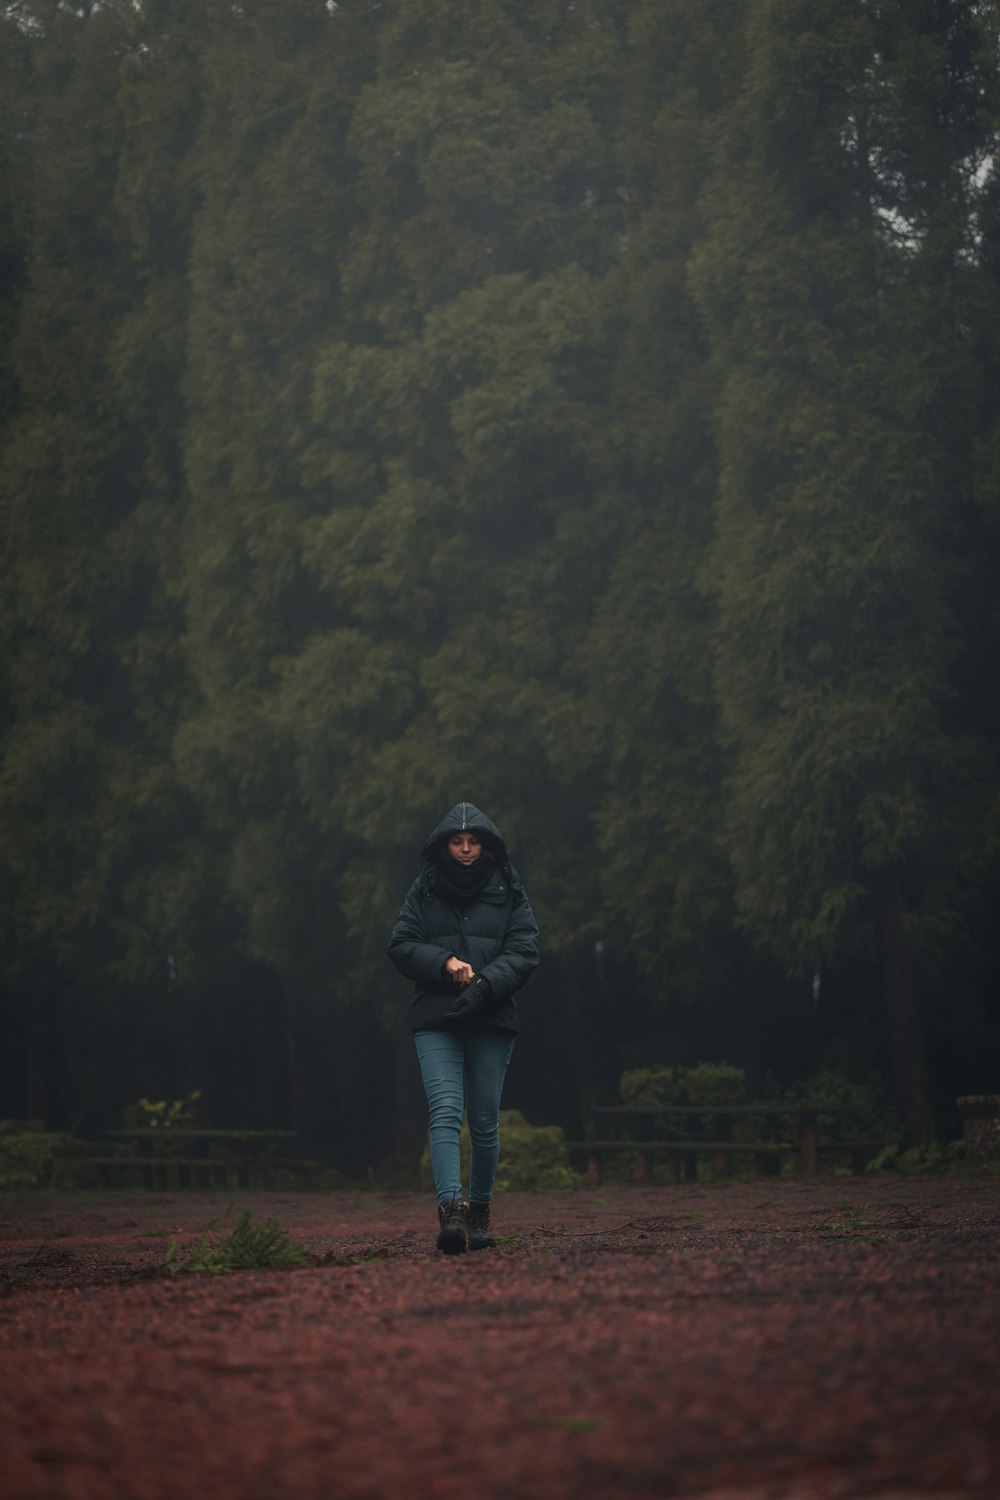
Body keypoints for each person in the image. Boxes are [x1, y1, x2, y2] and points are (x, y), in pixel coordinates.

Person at [387, 801, 540, 1254]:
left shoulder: (509, 888)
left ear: (488, 846)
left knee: (485, 1122)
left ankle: (480, 1212)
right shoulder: (424, 890)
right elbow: (401, 944)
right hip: (437, 1018)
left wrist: (487, 982)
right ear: (444, 845)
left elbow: (525, 949)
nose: (467, 849)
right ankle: (451, 1211)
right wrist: (444, 962)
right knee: (445, 1112)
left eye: (474, 842)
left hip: (492, 1015)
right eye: (458, 841)